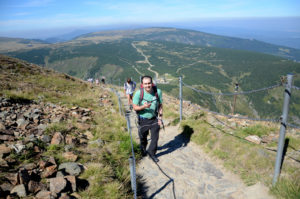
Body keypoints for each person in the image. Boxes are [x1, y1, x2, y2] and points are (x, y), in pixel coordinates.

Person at [132, 76, 163, 163]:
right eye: (145, 84)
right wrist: (144, 106)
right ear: (142, 84)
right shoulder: (139, 93)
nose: (148, 85)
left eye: (149, 83)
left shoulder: (158, 92)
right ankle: (143, 150)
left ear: (152, 83)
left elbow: (160, 105)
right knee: (143, 138)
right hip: (143, 119)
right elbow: (135, 107)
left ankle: (152, 153)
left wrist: (160, 118)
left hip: (154, 118)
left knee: (155, 138)